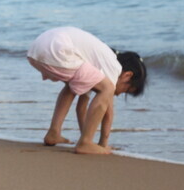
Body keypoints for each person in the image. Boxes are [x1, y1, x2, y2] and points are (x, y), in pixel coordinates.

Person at [27, 26, 147, 155]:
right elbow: (108, 112)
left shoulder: (94, 67)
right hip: (58, 49)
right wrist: (103, 144)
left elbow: (81, 108)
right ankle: (85, 143)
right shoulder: (114, 67)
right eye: (126, 90)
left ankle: (54, 133)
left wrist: (87, 136)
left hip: (37, 48)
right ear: (127, 75)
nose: (120, 94)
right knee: (107, 89)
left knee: (71, 87)